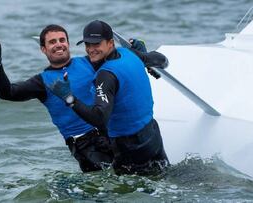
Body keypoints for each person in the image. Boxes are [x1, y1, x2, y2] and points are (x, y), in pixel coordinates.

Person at [0, 24, 113, 172]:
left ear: (68, 44)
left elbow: (119, 63)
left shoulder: (90, 62)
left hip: (110, 131)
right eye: (52, 42)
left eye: (62, 40)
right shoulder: (42, 82)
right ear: (43, 49)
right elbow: (7, 93)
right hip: (84, 145)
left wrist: (139, 53)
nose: (58, 44)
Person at [48, 20, 170, 175]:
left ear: (110, 43)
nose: (91, 49)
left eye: (96, 44)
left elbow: (99, 118)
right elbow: (162, 60)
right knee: (163, 177)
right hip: (152, 135)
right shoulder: (130, 54)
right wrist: (143, 56)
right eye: (87, 45)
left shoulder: (106, 76)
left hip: (129, 147)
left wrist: (68, 98)